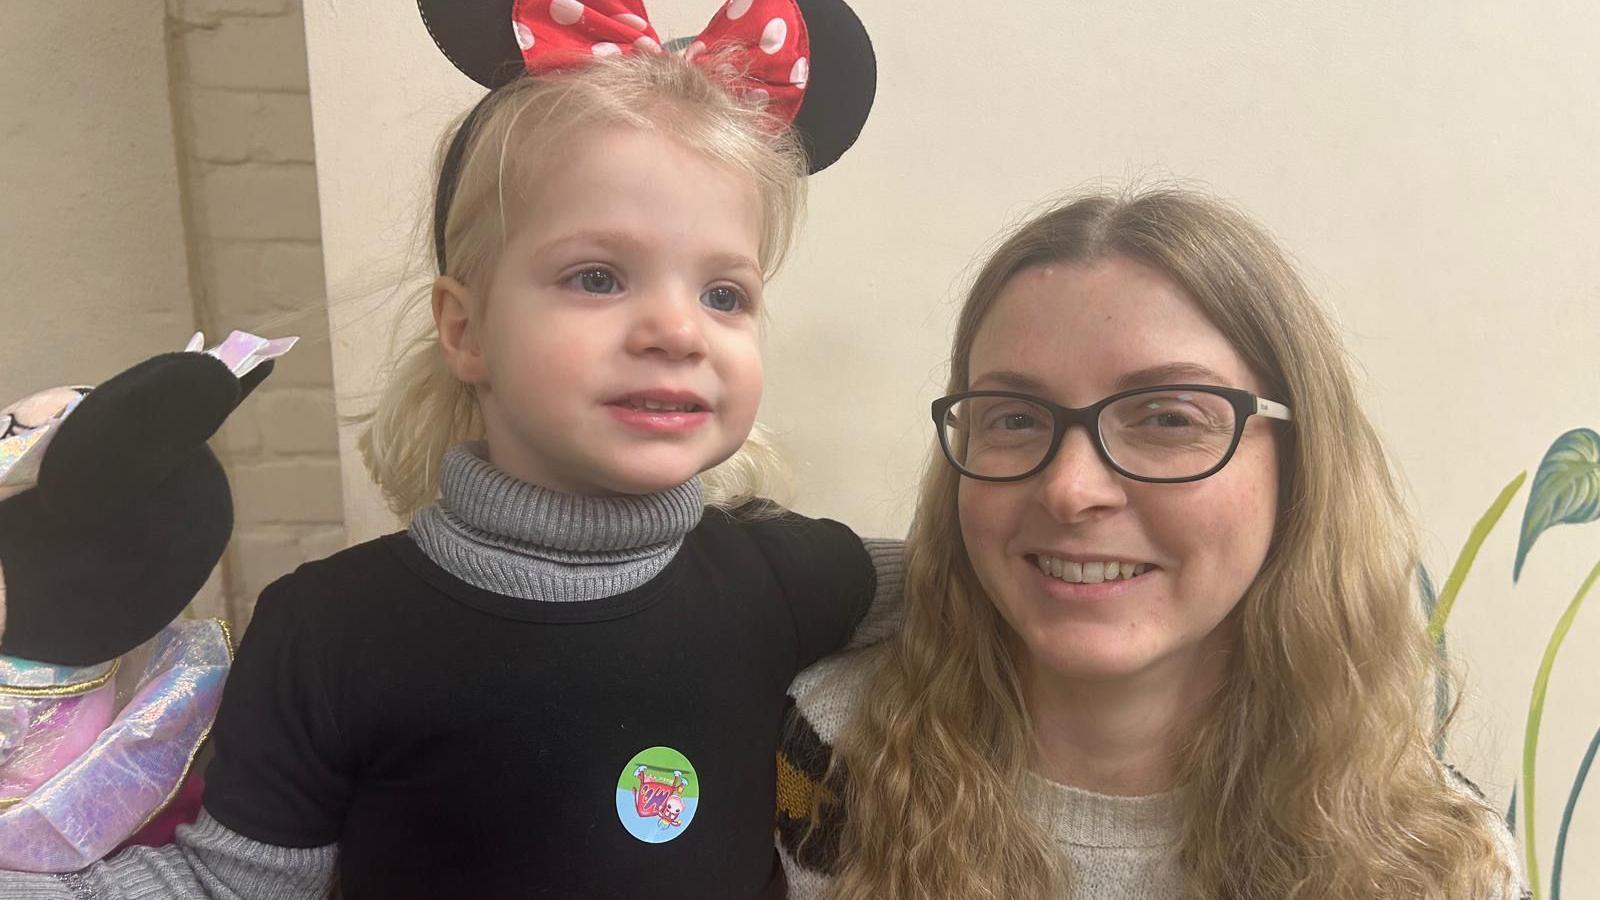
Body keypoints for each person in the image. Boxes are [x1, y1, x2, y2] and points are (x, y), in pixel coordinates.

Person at [0, 1, 895, 898]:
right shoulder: (329, 634)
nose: (676, 328)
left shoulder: (781, 578)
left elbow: (984, 581)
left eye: (726, 295)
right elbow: (228, 886)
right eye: (597, 277)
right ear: (466, 330)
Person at [776, 188, 1528, 899]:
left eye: (1168, 418)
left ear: (1299, 466)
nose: (1072, 490)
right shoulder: (836, 751)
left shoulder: (1439, 862)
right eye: (1013, 417)